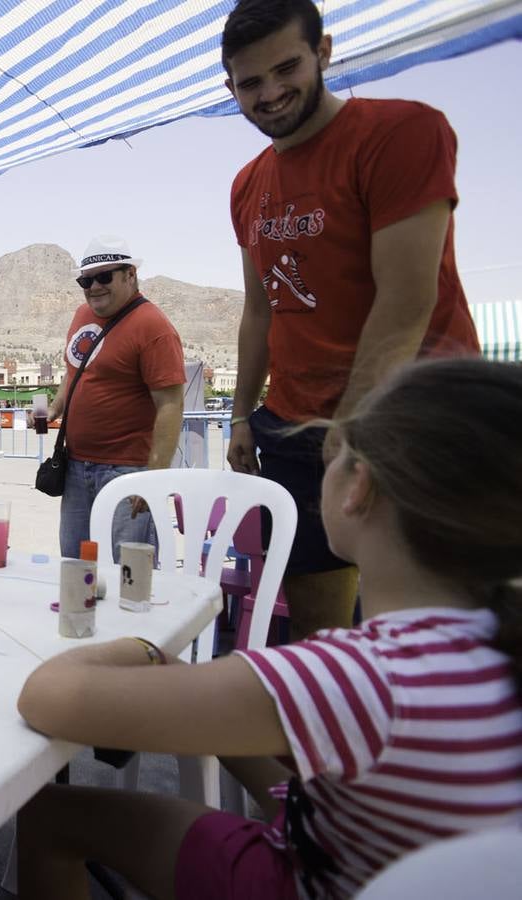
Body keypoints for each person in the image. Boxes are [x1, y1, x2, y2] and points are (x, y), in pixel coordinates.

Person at [16, 357, 522, 900]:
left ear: (358, 487)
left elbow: (49, 697)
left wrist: (145, 648)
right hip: (369, 856)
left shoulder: (361, 675)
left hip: (308, 879)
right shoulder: (483, 651)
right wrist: (188, 682)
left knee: (50, 816)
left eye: (333, 454)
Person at [222, 0, 479, 638]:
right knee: (316, 614)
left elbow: (405, 300)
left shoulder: (402, 132)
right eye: (251, 82)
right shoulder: (247, 184)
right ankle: (332, 730)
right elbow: (260, 311)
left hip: (407, 415)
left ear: (325, 53)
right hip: (292, 423)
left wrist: (356, 423)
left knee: (411, 613)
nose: (271, 93)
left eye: (287, 68)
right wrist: (241, 416)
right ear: (231, 88)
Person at [49, 236, 184, 561]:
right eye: (86, 279)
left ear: (130, 276)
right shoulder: (82, 315)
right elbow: (74, 369)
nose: (94, 286)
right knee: (76, 566)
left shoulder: (153, 327)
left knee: (129, 574)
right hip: (77, 467)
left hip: (127, 471)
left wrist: (154, 475)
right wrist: (55, 405)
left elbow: (170, 404)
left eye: (104, 277)